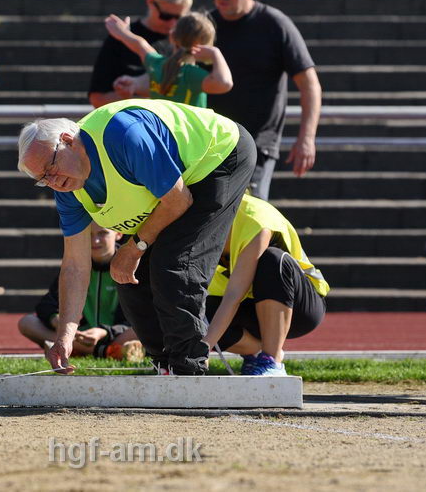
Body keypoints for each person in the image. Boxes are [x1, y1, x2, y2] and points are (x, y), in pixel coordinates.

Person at [16, 99, 255, 375]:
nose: (53, 181)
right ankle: (163, 363)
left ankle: (189, 368)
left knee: (174, 265)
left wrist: (135, 247)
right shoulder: (67, 190)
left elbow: (178, 201)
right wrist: (64, 337)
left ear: (69, 141)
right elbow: (75, 264)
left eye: (52, 167)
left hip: (220, 155)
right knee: (127, 277)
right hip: (174, 186)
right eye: (43, 179)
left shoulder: (122, 136)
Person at [206, 0, 322, 199]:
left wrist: (306, 138)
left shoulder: (275, 25)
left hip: (257, 145)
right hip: (210, 144)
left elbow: (309, 84)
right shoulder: (206, 25)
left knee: (252, 220)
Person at [203, 194, 329, 376]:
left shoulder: (255, 219)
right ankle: (256, 352)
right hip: (250, 308)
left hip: (300, 310)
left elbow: (234, 295)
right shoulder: (193, 223)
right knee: (195, 315)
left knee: (272, 259)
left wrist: (204, 348)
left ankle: (272, 361)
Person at [17, 223, 144, 361]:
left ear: (118, 234)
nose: (95, 241)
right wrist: (59, 322)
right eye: (89, 235)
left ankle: (79, 350)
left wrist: (104, 332)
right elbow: (46, 304)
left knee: (144, 328)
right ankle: (108, 352)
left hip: (116, 334)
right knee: (27, 322)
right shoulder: (76, 266)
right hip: (78, 335)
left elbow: (141, 315)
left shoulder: (132, 266)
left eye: (102, 233)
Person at [87, 0, 192, 108]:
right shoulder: (121, 38)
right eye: (166, 16)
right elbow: (97, 98)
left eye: (179, 17)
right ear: (150, 2)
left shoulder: (188, 40)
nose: (172, 24)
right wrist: (130, 94)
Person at [104, 11, 233, 106]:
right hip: (188, 140)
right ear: (205, 46)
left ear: (172, 36)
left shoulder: (156, 64)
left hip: (161, 137)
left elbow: (140, 45)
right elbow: (225, 83)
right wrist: (216, 54)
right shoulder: (191, 75)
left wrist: (123, 33)